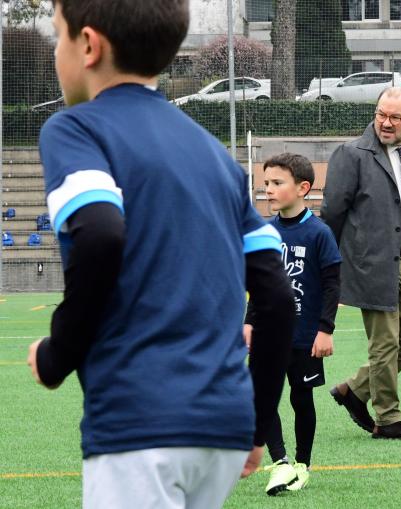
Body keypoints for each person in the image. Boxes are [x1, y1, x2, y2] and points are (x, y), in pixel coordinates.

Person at [25, 2, 295, 508]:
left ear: (87, 45)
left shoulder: (76, 130)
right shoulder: (216, 156)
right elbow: (277, 298)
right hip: (222, 426)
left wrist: (58, 354)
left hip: (139, 420)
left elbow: (102, 234)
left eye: (58, 36)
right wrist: (257, 423)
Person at [321, 87, 401, 440]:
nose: (385, 123)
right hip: (373, 265)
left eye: (394, 117)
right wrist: (330, 263)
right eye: (380, 114)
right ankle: (388, 418)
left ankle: (354, 389)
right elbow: (332, 213)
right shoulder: (351, 154)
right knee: (385, 343)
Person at [244, 153, 342, 495]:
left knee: (302, 398)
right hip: (270, 334)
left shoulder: (319, 233)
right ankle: (281, 461)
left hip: (304, 336)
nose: (267, 190)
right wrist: (248, 322)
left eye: (276, 183)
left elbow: (332, 284)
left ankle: (302, 463)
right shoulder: (264, 231)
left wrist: (325, 329)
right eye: (266, 183)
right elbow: (258, 282)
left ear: (302, 188)